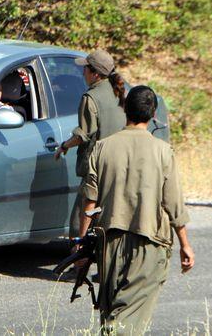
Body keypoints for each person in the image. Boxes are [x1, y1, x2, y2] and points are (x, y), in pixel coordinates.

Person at [78, 85, 194, 334]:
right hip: (148, 242)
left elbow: (89, 200)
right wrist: (185, 243)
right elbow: (173, 203)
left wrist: (82, 242)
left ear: (125, 110)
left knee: (112, 310)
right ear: (153, 115)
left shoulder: (102, 148)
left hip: (110, 242)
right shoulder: (163, 151)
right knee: (127, 320)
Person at [54, 49, 126, 238]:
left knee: (80, 220)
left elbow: (83, 135)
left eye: (85, 69)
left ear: (95, 74)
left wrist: (64, 146)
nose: (82, 72)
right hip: (120, 163)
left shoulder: (90, 98)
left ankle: (78, 260)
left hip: (97, 167)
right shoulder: (118, 91)